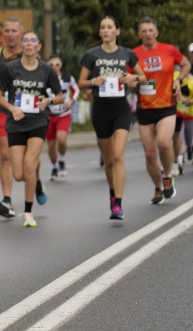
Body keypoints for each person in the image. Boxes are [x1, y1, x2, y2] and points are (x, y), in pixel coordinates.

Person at [78, 15, 147, 220]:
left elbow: (142, 77)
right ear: (100, 32)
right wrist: (94, 81)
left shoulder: (127, 54)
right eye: (103, 27)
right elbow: (81, 82)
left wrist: (132, 78)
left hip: (121, 109)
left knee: (118, 155)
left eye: (110, 27)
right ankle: (112, 193)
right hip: (100, 110)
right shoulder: (91, 55)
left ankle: (118, 203)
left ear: (117, 31)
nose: (106, 30)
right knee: (109, 161)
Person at [0, 32, 63, 227]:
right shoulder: (10, 69)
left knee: (29, 163)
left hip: (38, 121)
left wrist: (48, 100)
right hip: (16, 122)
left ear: (39, 46)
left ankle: (27, 212)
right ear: (21, 45)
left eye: (33, 40)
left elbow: (60, 97)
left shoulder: (46, 70)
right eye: (25, 40)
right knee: (19, 175)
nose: (28, 44)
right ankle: (37, 182)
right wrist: (12, 108)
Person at [132, 17, 189, 203]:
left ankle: (167, 175)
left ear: (156, 33)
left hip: (166, 105)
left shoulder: (169, 49)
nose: (148, 34)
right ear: (139, 35)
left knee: (164, 143)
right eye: (144, 31)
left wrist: (178, 80)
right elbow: (129, 79)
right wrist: (132, 84)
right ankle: (158, 187)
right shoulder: (134, 54)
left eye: (151, 30)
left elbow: (186, 64)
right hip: (144, 107)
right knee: (149, 153)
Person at [0, 17, 24, 218]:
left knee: (26, 157)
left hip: (26, 109)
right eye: (7, 31)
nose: (10, 34)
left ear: (21, 32)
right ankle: (7, 199)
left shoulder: (28, 53)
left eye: (14, 31)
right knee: (4, 155)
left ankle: (34, 181)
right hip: (3, 108)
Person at [45, 53, 79, 180]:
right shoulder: (44, 78)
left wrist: (71, 101)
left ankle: (62, 160)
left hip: (63, 114)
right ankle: (54, 167)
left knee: (61, 139)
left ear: (61, 65)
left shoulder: (67, 78)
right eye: (51, 64)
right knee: (51, 145)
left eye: (57, 64)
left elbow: (76, 90)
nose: (54, 67)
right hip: (49, 115)